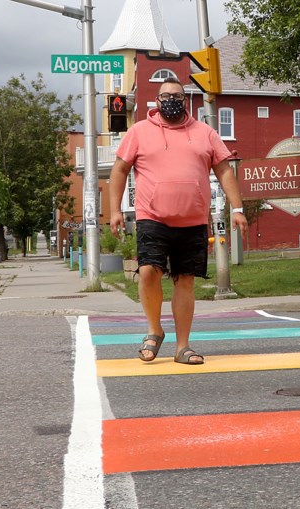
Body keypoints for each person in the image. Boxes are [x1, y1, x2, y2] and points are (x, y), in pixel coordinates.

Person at [108, 76, 246, 364]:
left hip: (193, 220)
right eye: (165, 96)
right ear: (157, 102)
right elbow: (119, 170)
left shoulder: (205, 133)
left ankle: (183, 347)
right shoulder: (139, 131)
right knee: (148, 271)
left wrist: (237, 208)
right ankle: (154, 330)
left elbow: (224, 171)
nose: (171, 100)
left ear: (185, 101)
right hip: (152, 217)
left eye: (177, 96)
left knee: (185, 281)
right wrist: (115, 210)